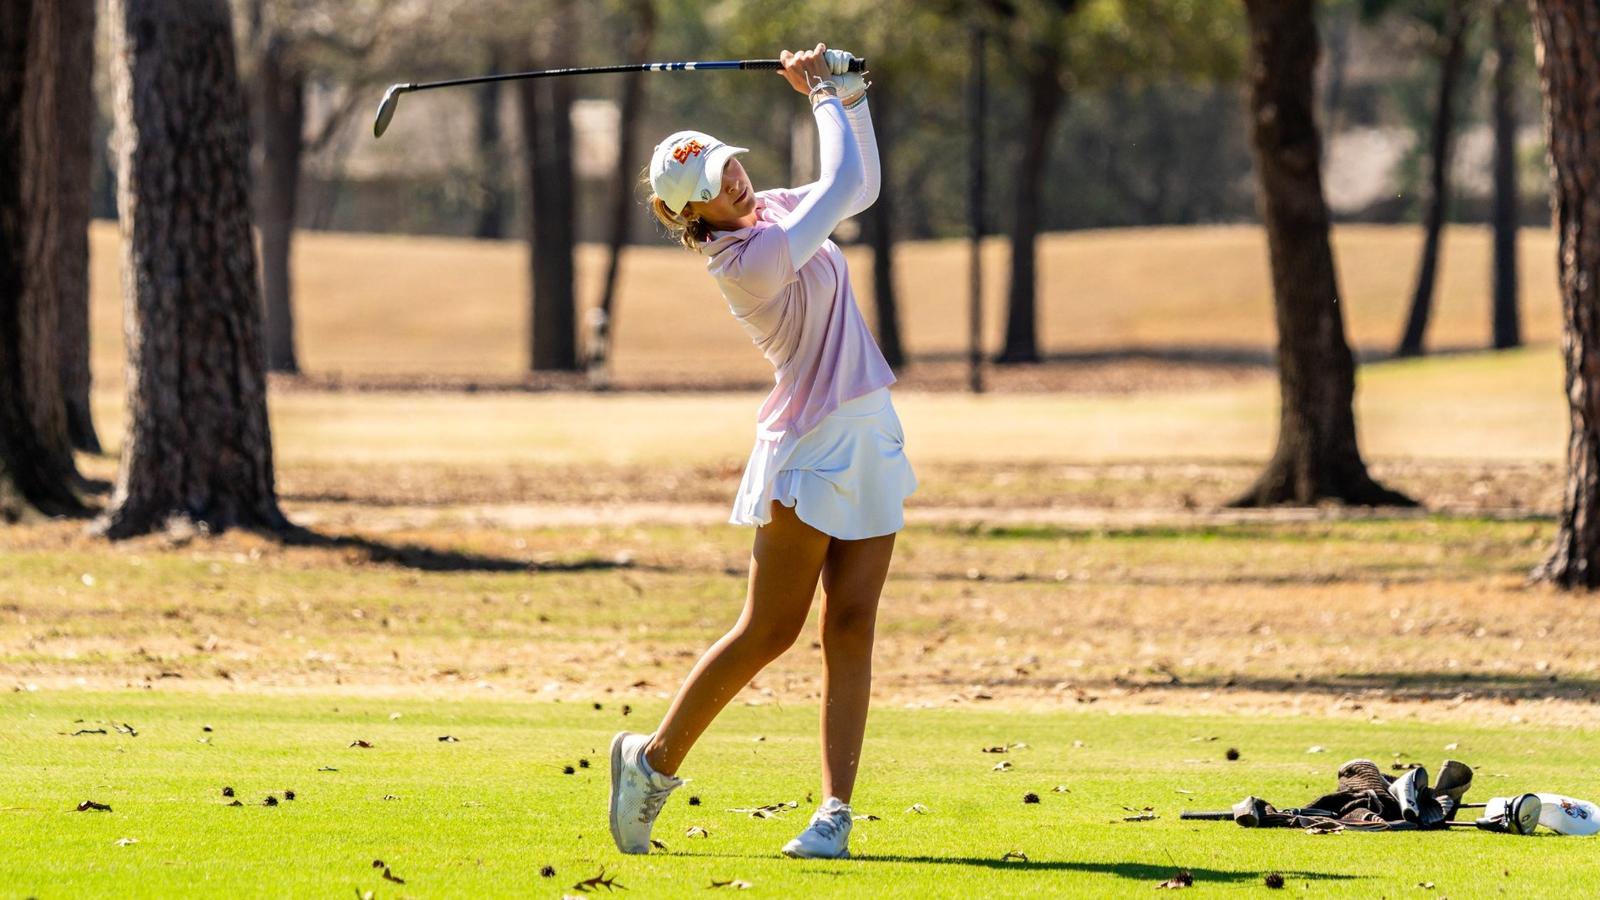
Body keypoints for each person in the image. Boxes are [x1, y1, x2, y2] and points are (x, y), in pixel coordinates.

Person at [608, 43, 915, 861]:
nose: (733, 181)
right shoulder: (746, 262)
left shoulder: (772, 210)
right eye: (714, 185)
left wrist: (850, 94)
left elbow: (860, 186)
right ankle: (651, 763)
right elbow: (841, 189)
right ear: (691, 216)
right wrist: (820, 94)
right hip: (810, 445)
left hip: (869, 430)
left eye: (726, 165)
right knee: (771, 630)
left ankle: (834, 814)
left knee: (852, 625)